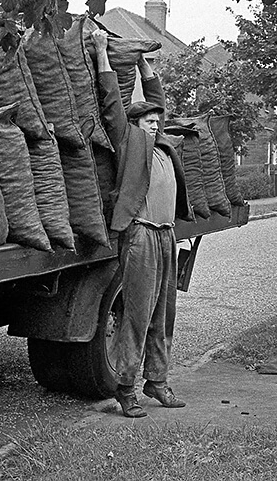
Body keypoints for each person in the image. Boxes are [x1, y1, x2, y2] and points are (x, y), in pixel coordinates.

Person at [92, 29, 194, 418]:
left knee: (163, 314)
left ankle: (157, 380)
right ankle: (126, 389)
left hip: (166, 237)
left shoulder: (165, 144)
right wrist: (103, 53)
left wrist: (145, 65)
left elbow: (158, 99)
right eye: (146, 120)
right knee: (136, 315)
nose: (152, 124)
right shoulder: (129, 140)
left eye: (156, 120)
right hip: (140, 236)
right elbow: (113, 105)